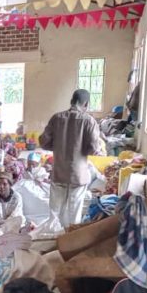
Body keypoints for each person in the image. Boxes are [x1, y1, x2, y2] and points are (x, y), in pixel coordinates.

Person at [39, 89, 101, 228]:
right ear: (86, 104)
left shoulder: (56, 118)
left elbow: (43, 142)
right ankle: (70, 241)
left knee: (55, 213)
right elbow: (94, 148)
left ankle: (54, 240)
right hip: (77, 176)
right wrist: (81, 150)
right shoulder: (89, 121)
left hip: (59, 173)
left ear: (71, 101)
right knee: (74, 215)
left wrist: (59, 148)